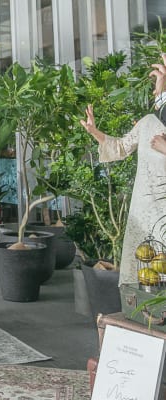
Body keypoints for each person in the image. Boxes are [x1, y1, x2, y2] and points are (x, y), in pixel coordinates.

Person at [79, 53, 166, 285]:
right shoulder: (147, 122)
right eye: (157, 88)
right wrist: (95, 132)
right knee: (146, 267)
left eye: (160, 87)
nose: (156, 93)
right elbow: (120, 147)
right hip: (144, 205)